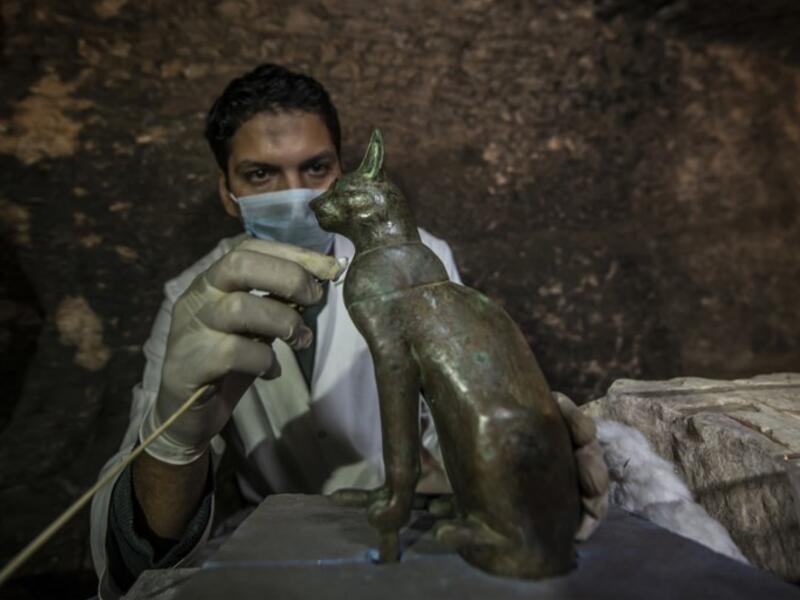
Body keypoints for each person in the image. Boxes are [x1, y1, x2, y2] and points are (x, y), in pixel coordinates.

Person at [89, 63, 608, 599]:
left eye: (316, 168)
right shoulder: (190, 299)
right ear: (227, 192)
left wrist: (533, 444)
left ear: (342, 170)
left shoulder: (420, 264)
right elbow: (131, 550)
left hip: (393, 534)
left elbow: (450, 410)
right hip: (274, 547)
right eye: (262, 175)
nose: (300, 195)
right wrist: (176, 441)